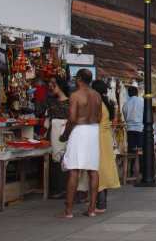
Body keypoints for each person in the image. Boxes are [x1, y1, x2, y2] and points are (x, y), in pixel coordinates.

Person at [60, 68, 101, 218]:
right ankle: (91, 209)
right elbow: (100, 117)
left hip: (80, 131)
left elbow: (72, 118)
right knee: (93, 170)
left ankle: (69, 211)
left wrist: (65, 134)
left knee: (74, 169)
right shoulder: (97, 96)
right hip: (93, 131)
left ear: (78, 79)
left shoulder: (75, 95)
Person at [91, 80, 120, 214]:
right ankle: (102, 202)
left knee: (99, 169)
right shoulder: (108, 104)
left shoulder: (97, 104)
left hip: (98, 138)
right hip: (106, 138)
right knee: (104, 168)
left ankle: (100, 203)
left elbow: (95, 121)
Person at [46, 76, 70, 199]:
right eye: (50, 83)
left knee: (66, 159)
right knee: (55, 160)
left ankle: (65, 188)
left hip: (66, 133)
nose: (51, 85)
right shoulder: (50, 101)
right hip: (54, 134)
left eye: (53, 83)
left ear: (60, 86)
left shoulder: (70, 101)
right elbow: (47, 119)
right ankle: (57, 189)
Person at [121, 86, 143, 174]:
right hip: (140, 129)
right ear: (137, 93)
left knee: (132, 151)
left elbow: (125, 116)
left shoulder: (125, 104)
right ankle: (140, 169)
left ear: (129, 94)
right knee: (140, 150)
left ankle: (131, 170)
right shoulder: (142, 102)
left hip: (130, 129)